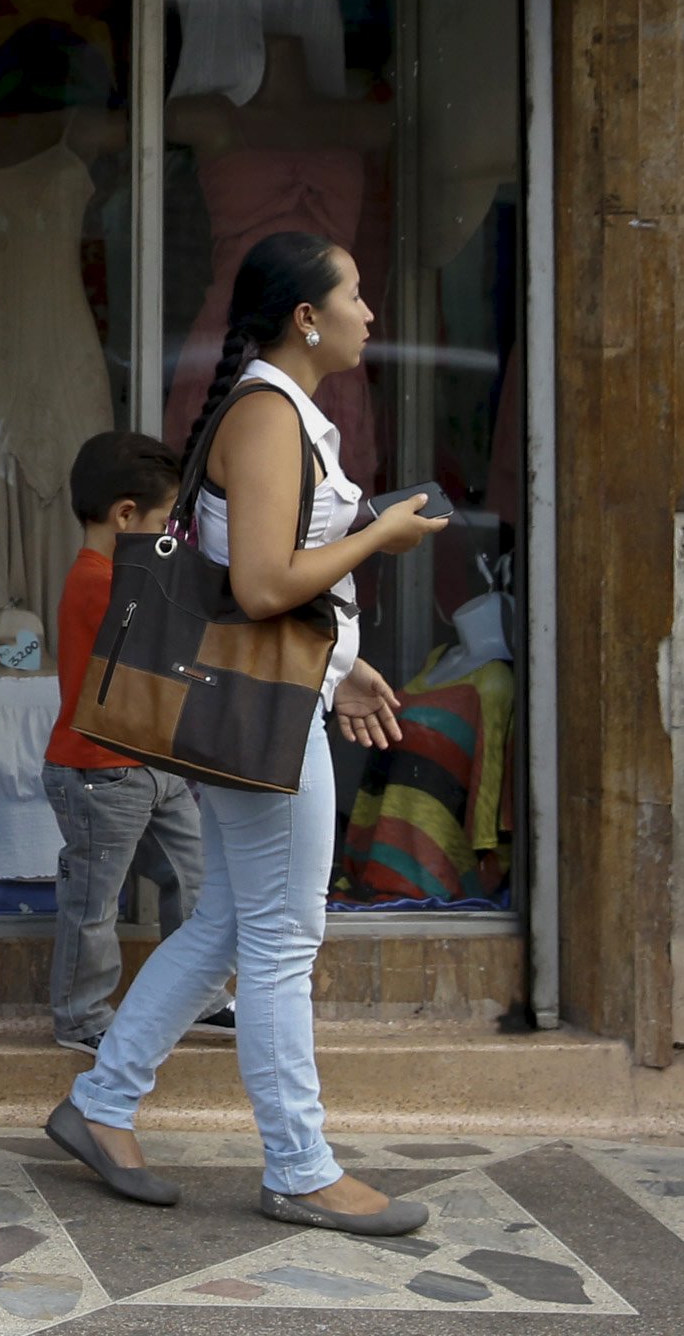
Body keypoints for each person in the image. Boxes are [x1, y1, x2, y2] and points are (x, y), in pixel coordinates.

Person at [42, 231, 448, 1236]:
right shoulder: (269, 414)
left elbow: (244, 580)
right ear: (306, 316)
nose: (368, 310)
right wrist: (381, 536)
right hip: (259, 716)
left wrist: (344, 660)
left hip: (268, 699)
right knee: (280, 935)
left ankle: (102, 1103)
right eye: (353, 293)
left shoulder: (283, 411)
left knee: (231, 917)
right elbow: (265, 584)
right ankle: (300, 1165)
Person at [43, 430, 223, 1058]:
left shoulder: (123, 572)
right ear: (125, 516)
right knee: (94, 900)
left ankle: (199, 997)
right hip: (101, 770)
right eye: (164, 521)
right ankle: (81, 1015)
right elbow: (161, 648)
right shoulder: (100, 580)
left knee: (196, 877)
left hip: (148, 764)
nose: (174, 535)